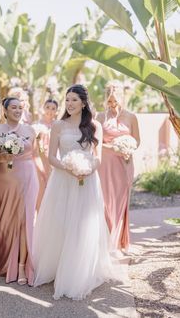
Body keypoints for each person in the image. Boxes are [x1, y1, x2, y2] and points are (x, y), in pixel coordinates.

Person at [33, 84, 118, 300]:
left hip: (88, 181)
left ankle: (77, 274)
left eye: (74, 100)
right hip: (63, 180)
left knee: (82, 225)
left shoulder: (94, 126)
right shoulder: (58, 126)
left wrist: (88, 170)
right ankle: (56, 267)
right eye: (67, 100)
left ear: (83, 103)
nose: (69, 104)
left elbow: (98, 156)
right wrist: (69, 169)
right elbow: (52, 157)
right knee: (61, 223)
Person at [0, 97, 39, 286]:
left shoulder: (31, 130)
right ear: (5, 111)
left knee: (25, 221)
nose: (17, 110)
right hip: (4, 180)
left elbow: (37, 157)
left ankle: (23, 266)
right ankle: (5, 260)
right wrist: (2, 155)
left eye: (20, 107)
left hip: (28, 177)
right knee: (5, 220)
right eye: (13, 107)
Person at [96, 81, 140, 253]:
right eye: (110, 101)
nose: (113, 105)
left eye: (115, 101)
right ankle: (106, 241)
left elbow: (137, 140)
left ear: (122, 98)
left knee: (121, 201)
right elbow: (95, 142)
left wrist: (128, 149)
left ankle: (121, 242)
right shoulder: (100, 117)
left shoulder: (131, 117)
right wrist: (112, 148)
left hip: (125, 164)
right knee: (105, 202)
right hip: (105, 164)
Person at [33, 99, 58, 210]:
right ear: (43, 108)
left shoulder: (58, 126)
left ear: (57, 111)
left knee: (53, 189)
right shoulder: (36, 126)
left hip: (54, 159)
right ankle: (39, 217)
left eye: (53, 108)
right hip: (39, 160)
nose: (50, 111)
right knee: (40, 188)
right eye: (48, 107)